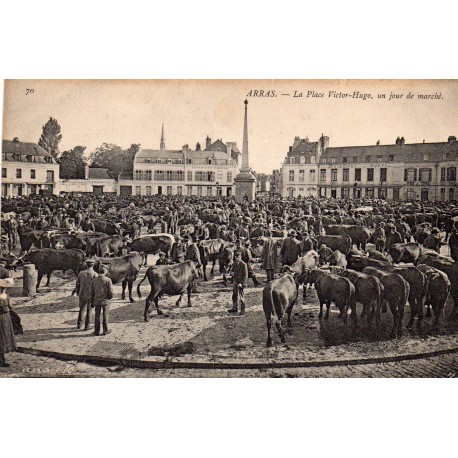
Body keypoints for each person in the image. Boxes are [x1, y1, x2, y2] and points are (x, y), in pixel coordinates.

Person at [90, 265, 114, 336]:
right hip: (105, 301)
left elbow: (91, 292)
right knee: (105, 315)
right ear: (105, 271)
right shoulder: (108, 280)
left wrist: (92, 301)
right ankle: (105, 330)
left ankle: (96, 331)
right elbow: (110, 291)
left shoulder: (94, 280)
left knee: (97, 316)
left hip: (97, 300)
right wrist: (110, 297)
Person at [75, 259, 98, 330]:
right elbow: (96, 286)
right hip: (90, 295)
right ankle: (87, 326)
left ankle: (79, 325)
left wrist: (77, 292)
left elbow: (77, 284)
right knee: (89, 310)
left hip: (82, 294)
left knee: (81, 309)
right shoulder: (95, 274)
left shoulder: (81, 273)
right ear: (93, 265)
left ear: (86, 265)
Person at [0, 278, 17, 367]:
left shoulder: (6, 296)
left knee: (2, 339)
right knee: (2, 338)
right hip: (4, 318)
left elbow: (9, 307)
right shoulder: (6, 296)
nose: (3, 289)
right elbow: (10, 307)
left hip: (5, 318)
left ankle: (1, 360)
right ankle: (1, 361)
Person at [227, 251, 248, 316]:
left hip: (241, 283)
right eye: (236, 257)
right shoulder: (234, 264)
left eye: (238, 257)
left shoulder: (244, 264)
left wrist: (242, 283)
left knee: (241, 297)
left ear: (241, 257)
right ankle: (234, 307)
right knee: (234, 295)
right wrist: (231, 273)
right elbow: (231, 271)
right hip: (235, 281)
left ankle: (242, 310)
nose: (237, 258)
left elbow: (245, 275)